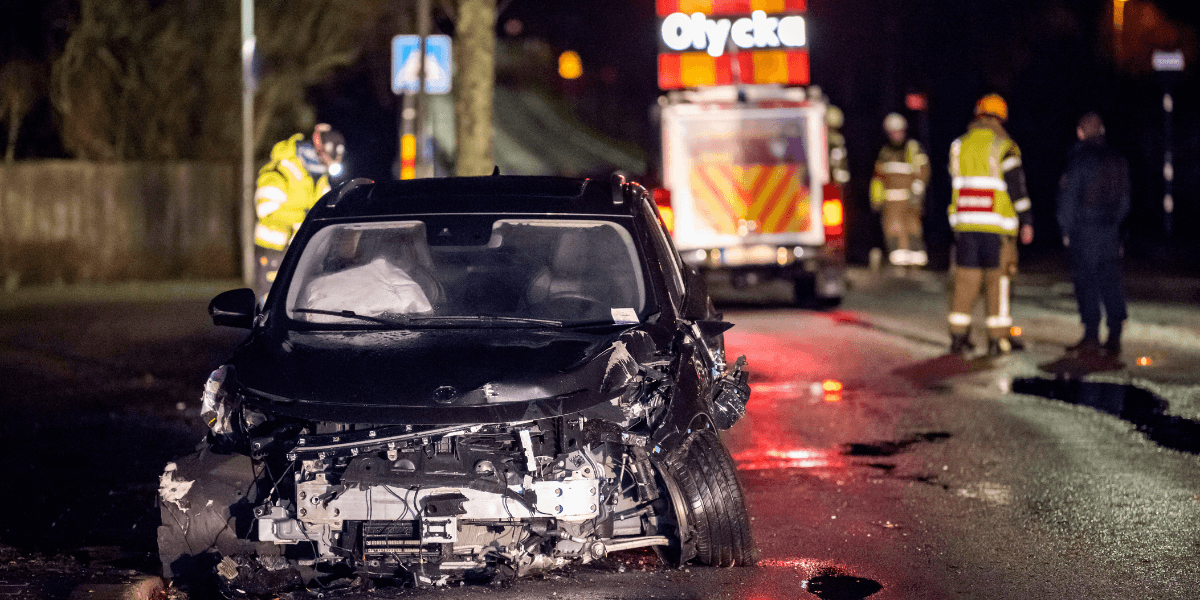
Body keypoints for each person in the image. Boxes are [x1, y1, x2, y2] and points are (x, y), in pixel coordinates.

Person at [946, 94, 1033, 356]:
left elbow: (956, 185)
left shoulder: (959, 145)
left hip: (965, 228)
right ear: (1001, 117)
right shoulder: (1004, 145)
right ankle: (998, 340)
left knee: (965, 282)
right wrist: (1026, 221)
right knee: (998, 283)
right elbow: (1017, 187)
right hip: (996, 229)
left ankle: (959, 338)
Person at [1056, 112, 1129, 356]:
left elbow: (1069, 198)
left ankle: (1091, 336)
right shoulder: (1118, 159)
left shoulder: (1079, 159)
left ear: (1080, 132)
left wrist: (1066, 228)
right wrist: (1115, 224)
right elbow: (1125, 200)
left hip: (1084, 230)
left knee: (1087, 283)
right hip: (1110, 230)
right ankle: (1115, 334)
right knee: (1111, 282)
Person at [253, 123, 345, 299]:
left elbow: (325, 208)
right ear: (319, 151)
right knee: (270, 300)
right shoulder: (281, 169)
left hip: (300, 249)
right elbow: (265, 208)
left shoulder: (318, 177)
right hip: (274, 249)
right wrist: (303, 220)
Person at [870, 112, 931, 270]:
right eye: (892, 132)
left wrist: (918, 191)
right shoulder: (885, 152)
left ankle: (916, 260)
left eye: (898, 131)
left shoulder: (913, 149)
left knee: (913, 228)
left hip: (909, 199)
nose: (896, 135)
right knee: (893, 230)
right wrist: (876, 197)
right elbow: (878, 177)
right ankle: (898, 262)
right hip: (891, 200)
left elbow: (923, 170)